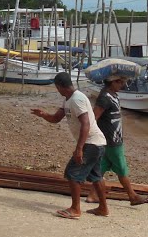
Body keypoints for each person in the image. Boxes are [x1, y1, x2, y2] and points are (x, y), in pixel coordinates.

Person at [31, 72, 109, 219]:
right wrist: (43, 114)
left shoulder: (77, 99)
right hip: (97, 143)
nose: (57, 90)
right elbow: (55, 118)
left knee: (72, 173)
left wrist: (79, 149)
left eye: (57, 87)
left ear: (60, 86)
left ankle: (75, 209)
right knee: (96, 176)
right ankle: (103, 208)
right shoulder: (68, 100)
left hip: (91, 143)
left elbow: (85, 124)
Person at [90, 76, 147, 205]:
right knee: (121, 168)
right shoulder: (104, 97)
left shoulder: (113, 95)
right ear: (112, 82)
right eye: (120, 82)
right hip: (111, 140)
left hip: (112, 138)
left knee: (101, 168)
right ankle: (132, 196)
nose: (122, 85)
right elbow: (94, 117)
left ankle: (92, 195)